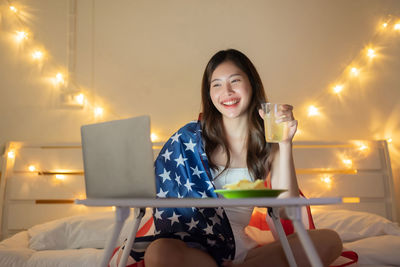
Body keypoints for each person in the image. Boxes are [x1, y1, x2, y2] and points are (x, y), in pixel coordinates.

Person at [143, 49, 343, 267]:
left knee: (329, 240)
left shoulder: (268, 142)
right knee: (158, 252)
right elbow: (157, 195)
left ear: (252, 84)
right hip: (194, 254)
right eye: (216, 84)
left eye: (235, 81)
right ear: (209, 93)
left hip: (242, 254)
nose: (226, 92)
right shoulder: (188, 138)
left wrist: (285, 144)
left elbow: (287, 210)